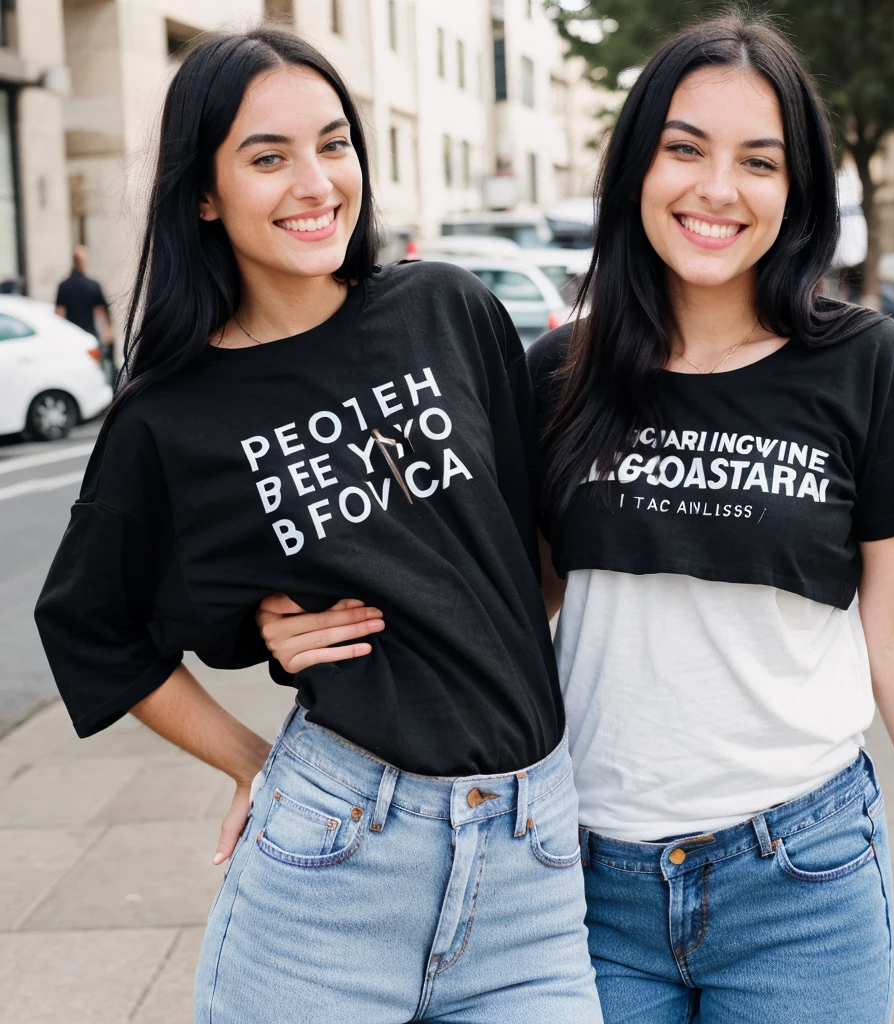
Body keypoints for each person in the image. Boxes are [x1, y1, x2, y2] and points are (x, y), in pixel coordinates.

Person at [261, 13, 894, 1023]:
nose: (716, 188)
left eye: (759, 160)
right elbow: (502, 607)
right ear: (634, 169)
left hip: (801, 875)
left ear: (796, 193)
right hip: (579, 877)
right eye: (684, 148)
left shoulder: (863, 364)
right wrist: (303, 630)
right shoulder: (558, 374)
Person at [34, 29, 601, 1024]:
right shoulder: (172, 413)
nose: (315, 182)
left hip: (532, 858)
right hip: (335, 857)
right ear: (203, 191)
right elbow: (91, 625)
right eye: (268, 156)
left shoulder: (448, 308)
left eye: (333, 144)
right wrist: (255, 759)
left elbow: (521, 557)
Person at [55, 245, 115, 383]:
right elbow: (101, 313)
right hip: (90, 333)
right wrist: (107, 333)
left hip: (71, 335)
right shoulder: (93, 285)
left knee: (74, 371)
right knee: (94, 370)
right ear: (85, 261)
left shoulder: (63, 286)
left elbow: (59, 314)